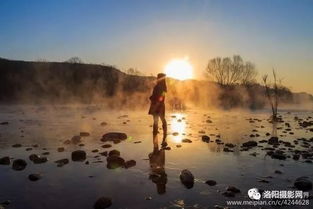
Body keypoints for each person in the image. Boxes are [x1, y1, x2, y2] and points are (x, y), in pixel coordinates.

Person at [148, 73, 167, 145]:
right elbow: (161, 97)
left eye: (158, 77)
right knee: (162, 119)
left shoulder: (157, 87)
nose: (157, 78)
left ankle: (155, 135)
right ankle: (165, 135)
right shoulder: (164, 87)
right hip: (161, 105)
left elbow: (157, 97)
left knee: (156, 121)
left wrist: (151, 98)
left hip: (156, 105)